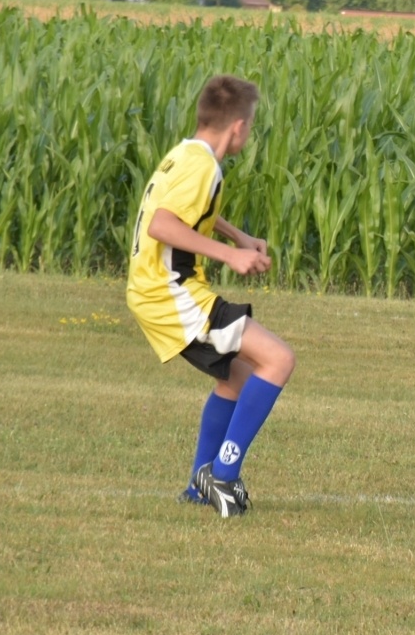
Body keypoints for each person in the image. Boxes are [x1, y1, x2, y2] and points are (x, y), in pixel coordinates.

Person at [126, 74, 296, 519]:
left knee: (237, 379)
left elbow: (190, 211)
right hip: (170, 292)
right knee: (278, 360)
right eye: (251, 124)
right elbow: (163, 225)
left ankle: (198, 489)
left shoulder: (186, 154)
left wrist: (239, 236)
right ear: (238, 127)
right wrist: (229, 256)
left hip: (156, 290)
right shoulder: (203, 166)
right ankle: (222, 475)